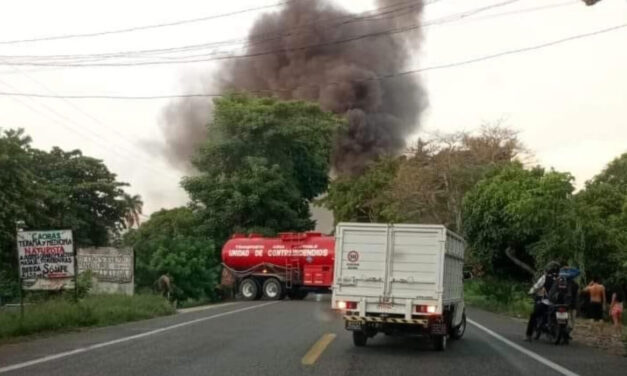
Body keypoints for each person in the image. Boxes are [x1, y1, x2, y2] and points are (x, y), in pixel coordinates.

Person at [525, 261, 560, 341]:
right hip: (558, 304)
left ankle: (528, 335)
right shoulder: (561, 278)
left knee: (533, 315)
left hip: (547, 303)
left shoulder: (545, 277)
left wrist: (530, 292)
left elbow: (537, 286)